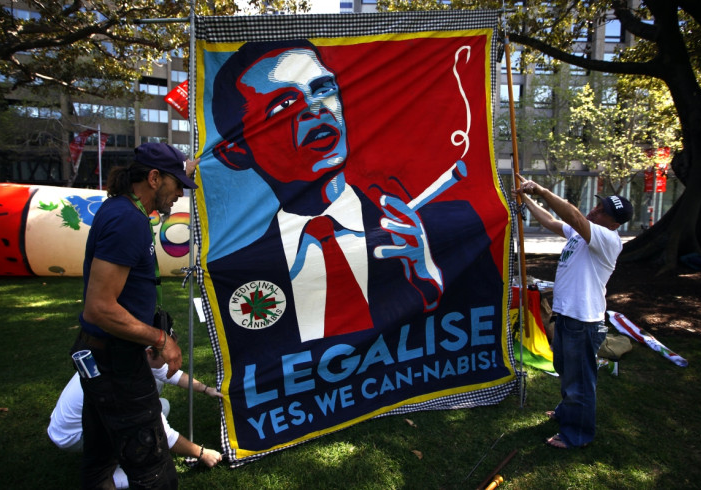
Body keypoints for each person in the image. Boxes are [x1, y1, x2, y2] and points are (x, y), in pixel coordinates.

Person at [209, 40, 503, 342]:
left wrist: (429, 282)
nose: (315, 108)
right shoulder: (235, 269)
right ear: (234, 152)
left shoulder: (451, 228)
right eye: (283, 105)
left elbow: (481, 326)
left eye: (323, 89)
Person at [69, 142, 198, 488]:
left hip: (104, 357)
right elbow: (99, 307)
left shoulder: (124, 211)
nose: (178, 197)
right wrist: (160, 339)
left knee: (100, 461)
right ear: (155, 179)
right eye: (176, 187)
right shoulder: (128, 220)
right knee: (153, 469)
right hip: (116, 365)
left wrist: (193, 163)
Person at [513, 174, 634, 449]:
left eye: (602, 211)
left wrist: (542, 190)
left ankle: (577, 435)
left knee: (580, 380)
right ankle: (566, 412)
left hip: (583, 321)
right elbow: (551, 221)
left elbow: (575, 217)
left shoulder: (606, 239)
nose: (595, 210)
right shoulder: (583, 234)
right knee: (565, 370)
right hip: (568, 316)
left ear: (614, 224)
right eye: (598, 205)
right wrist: (526, 198)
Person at [48, 346, 223, 488]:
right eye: (169, 354)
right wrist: (203, 453)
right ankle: (114, 474)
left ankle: (116, 452)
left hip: (72, 424)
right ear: (149, 353)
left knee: (163, 405)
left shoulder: (128, 356)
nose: (174, 361)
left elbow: (173, 375)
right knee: (154, 469)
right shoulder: (129, 382)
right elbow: (166, 435)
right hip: (72, 435)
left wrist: (206, 389)